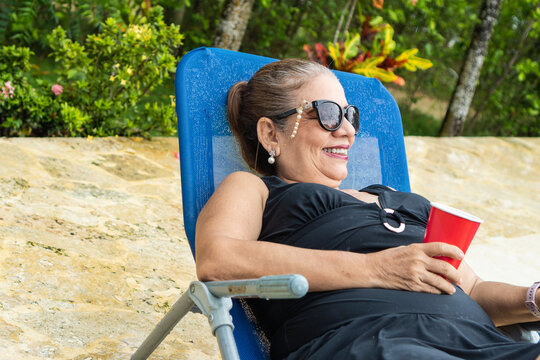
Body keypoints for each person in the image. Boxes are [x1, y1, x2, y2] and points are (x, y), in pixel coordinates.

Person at [194, 58, 540, 359]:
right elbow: (218, 259)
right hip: (370, 342)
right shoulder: (255, 189)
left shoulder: (390, 195)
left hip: (481, 344)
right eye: (328, 114)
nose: (347, 131)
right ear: (271, 134)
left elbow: (473, 288)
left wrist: (533, 299)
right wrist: (378, 268)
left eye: (349, 115)